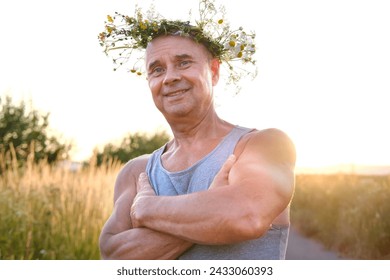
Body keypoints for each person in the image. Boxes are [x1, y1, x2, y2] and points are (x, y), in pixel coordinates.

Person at [98, 1, 296, 260]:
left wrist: (147, 208)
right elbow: (113, 256)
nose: (169, 77)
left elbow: (247, 216)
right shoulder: (138, 172)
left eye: (183, 63)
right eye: (157, 69)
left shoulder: (262, 145)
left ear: (213, 71)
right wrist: (212, 209)